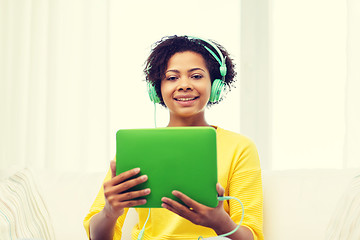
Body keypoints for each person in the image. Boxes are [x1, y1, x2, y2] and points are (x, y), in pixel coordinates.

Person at [83, 35, 264, 240]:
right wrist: (110, 212)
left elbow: (252, 236)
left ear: (215, 85)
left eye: (196, 76)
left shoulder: (240, 147)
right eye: (172, 77)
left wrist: (220, 222)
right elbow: (96, 237)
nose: (184, 85)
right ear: (156, 88)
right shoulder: (137, 148)